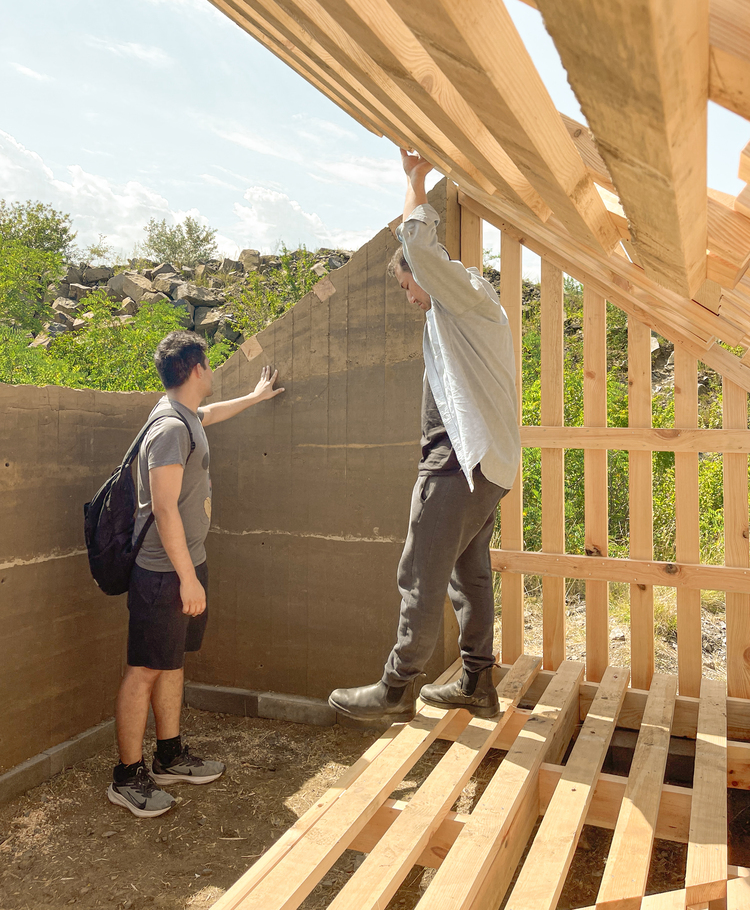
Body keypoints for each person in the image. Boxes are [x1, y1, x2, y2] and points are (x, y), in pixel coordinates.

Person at [328, 150, 520, 723]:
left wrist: (414, 180)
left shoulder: (461, 297)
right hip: (487, 467)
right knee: (469, 574)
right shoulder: (468, 311)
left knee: (420, 572)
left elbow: (415, 243)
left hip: (457, 465)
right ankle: (477, 681)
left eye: (408, 287)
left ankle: (396, 687)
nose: (411, 298)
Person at [108, 331, 283, 817]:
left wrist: (254, 397)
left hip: (184, 566)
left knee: (172, 662)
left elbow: (210, 414)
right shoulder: (169, 428)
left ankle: (168, 756)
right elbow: (164, 509)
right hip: (163, 573)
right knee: (144, 669)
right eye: (208, 363)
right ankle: (126, 776)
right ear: (195, 369)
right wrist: (187, 578)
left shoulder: (184, 416)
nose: (212, 371)